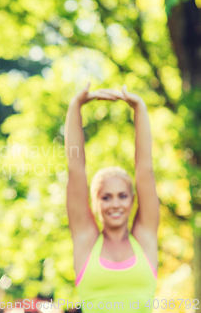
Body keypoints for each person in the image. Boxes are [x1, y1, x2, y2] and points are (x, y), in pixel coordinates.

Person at [65, 84, 159, 312]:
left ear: (132, 200)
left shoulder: (145, 238)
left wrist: (139, 107)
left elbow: (144, 169)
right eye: (106, 197)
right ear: (95, 203)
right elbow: (75, 170)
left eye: (122, 196)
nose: (115, 204)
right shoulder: (86, 241)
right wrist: (75, 104)